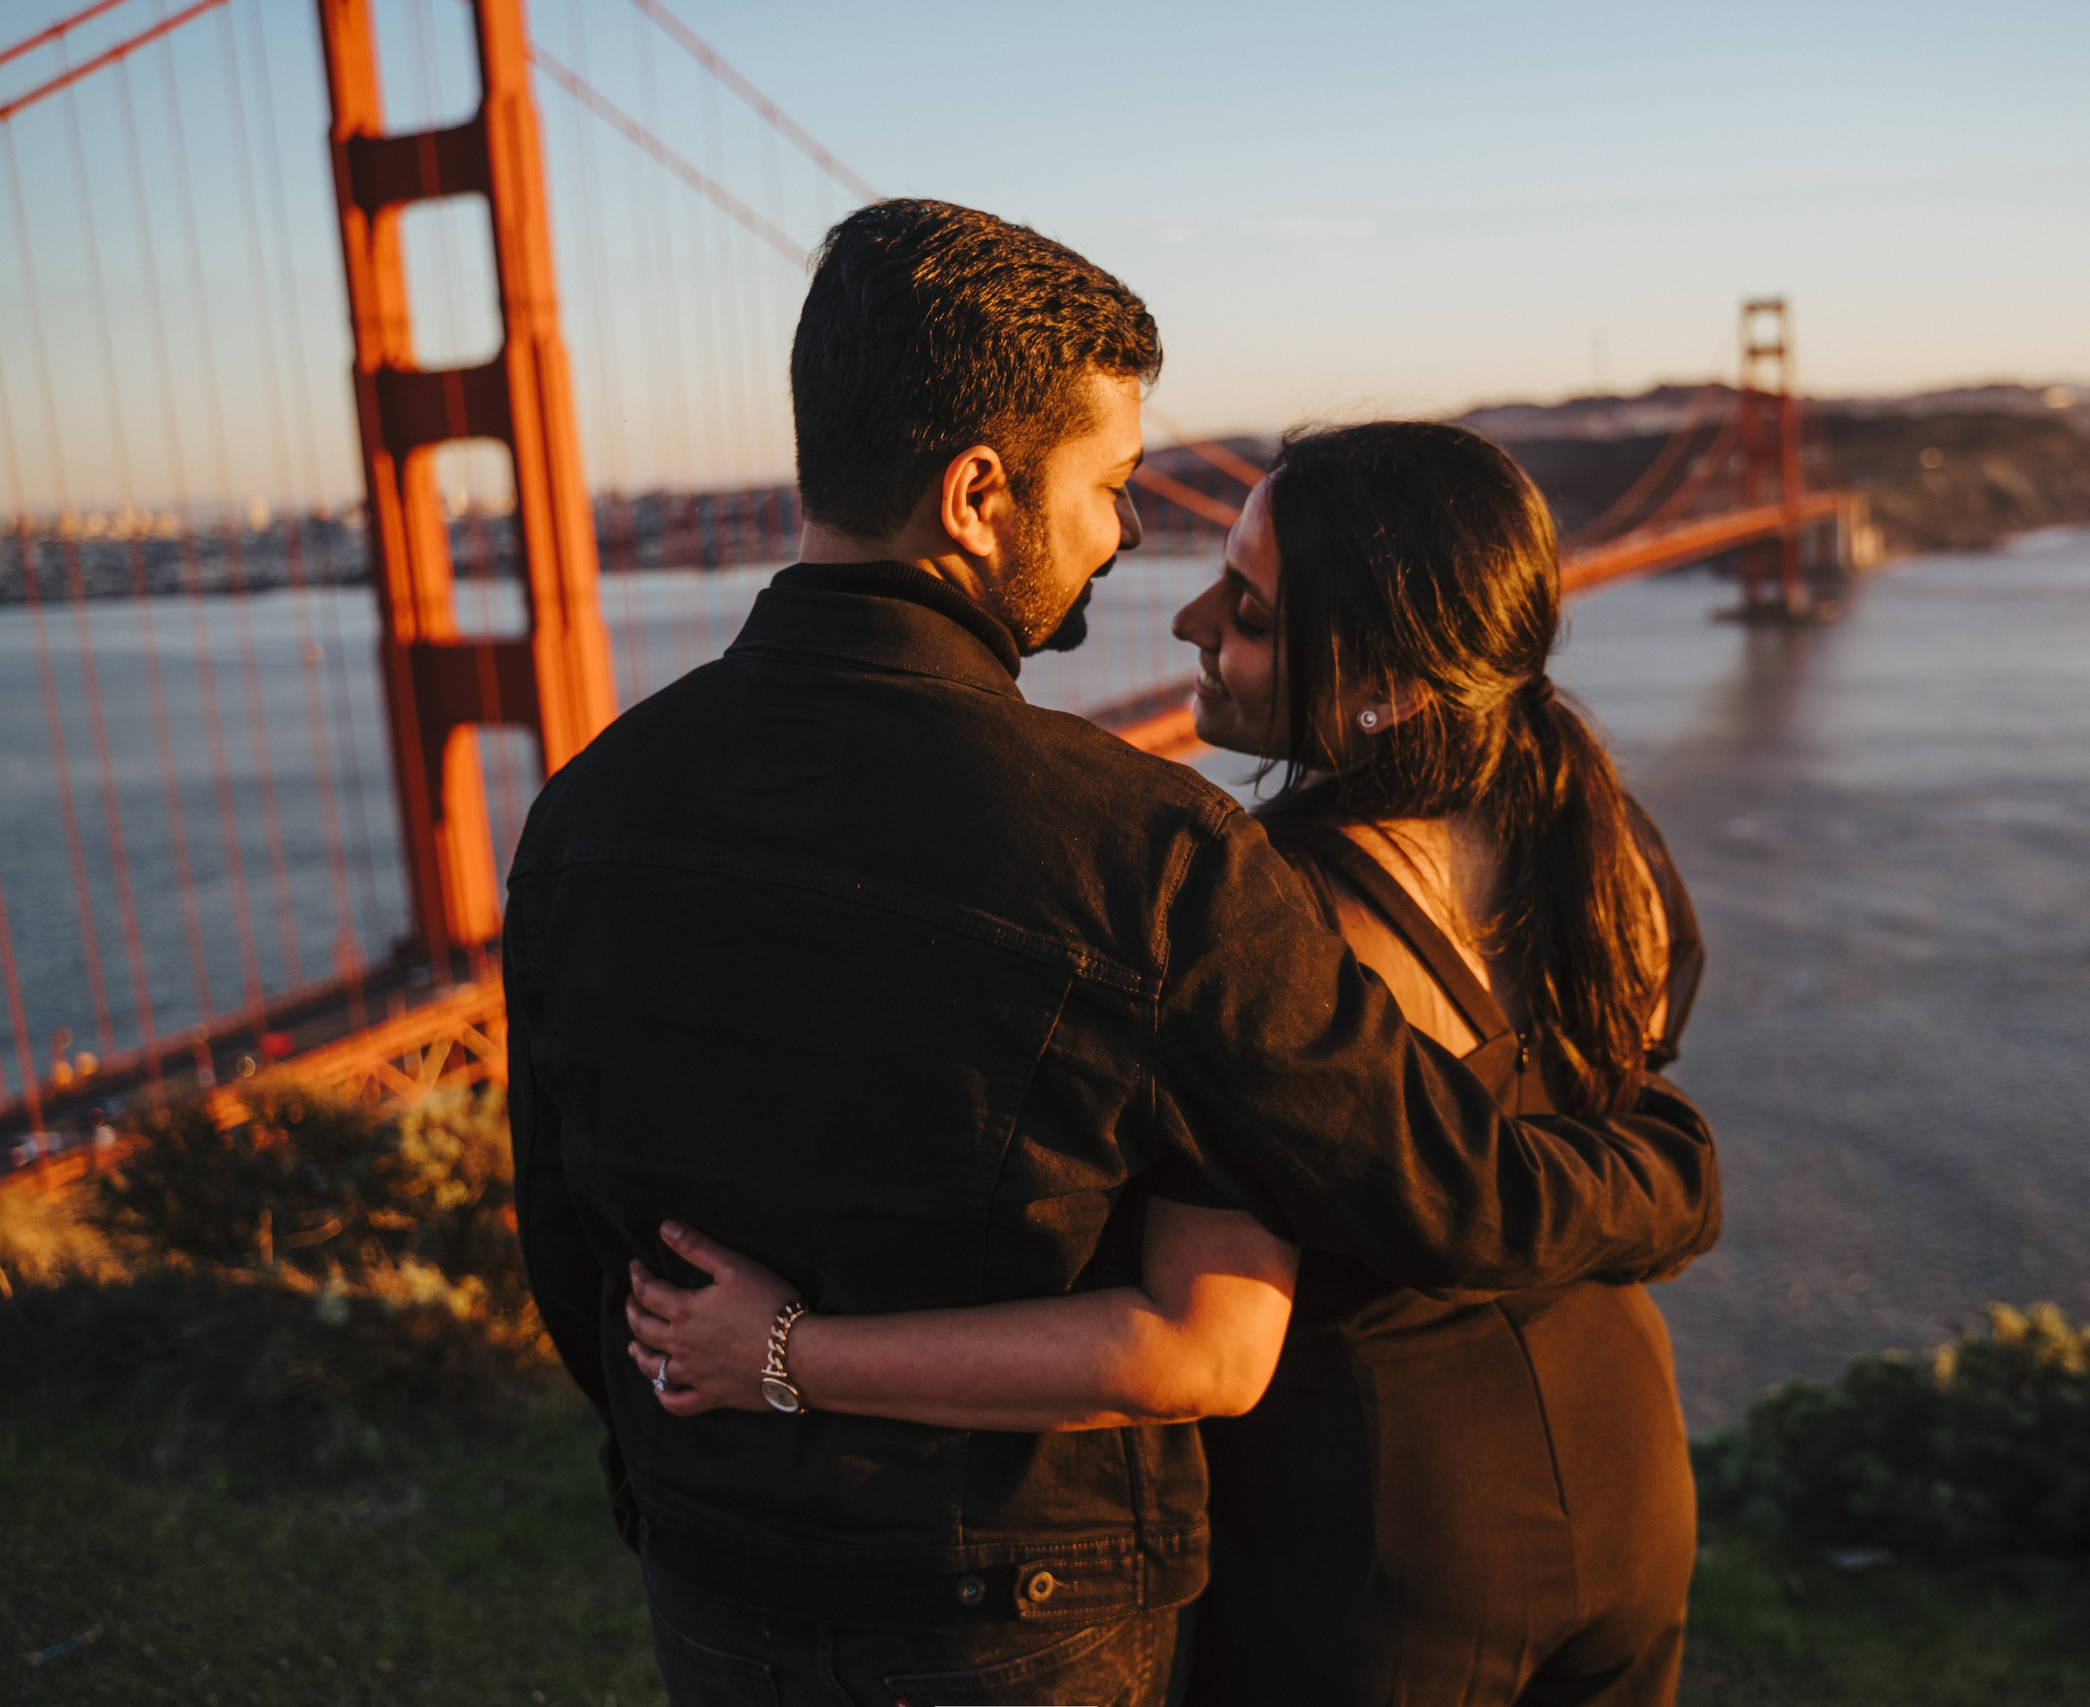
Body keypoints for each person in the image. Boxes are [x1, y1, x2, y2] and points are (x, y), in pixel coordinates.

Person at [507, 199, 1719, 1707]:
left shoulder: (584, 811)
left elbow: (565, 1228)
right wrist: (1674, 1162)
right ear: (976, 495)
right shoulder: (1147, 854)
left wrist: (698, 1459)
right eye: (1114, 484)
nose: (1136, 542)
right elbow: (1420, 1201)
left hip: (722, 1570)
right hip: (1024, 1598)